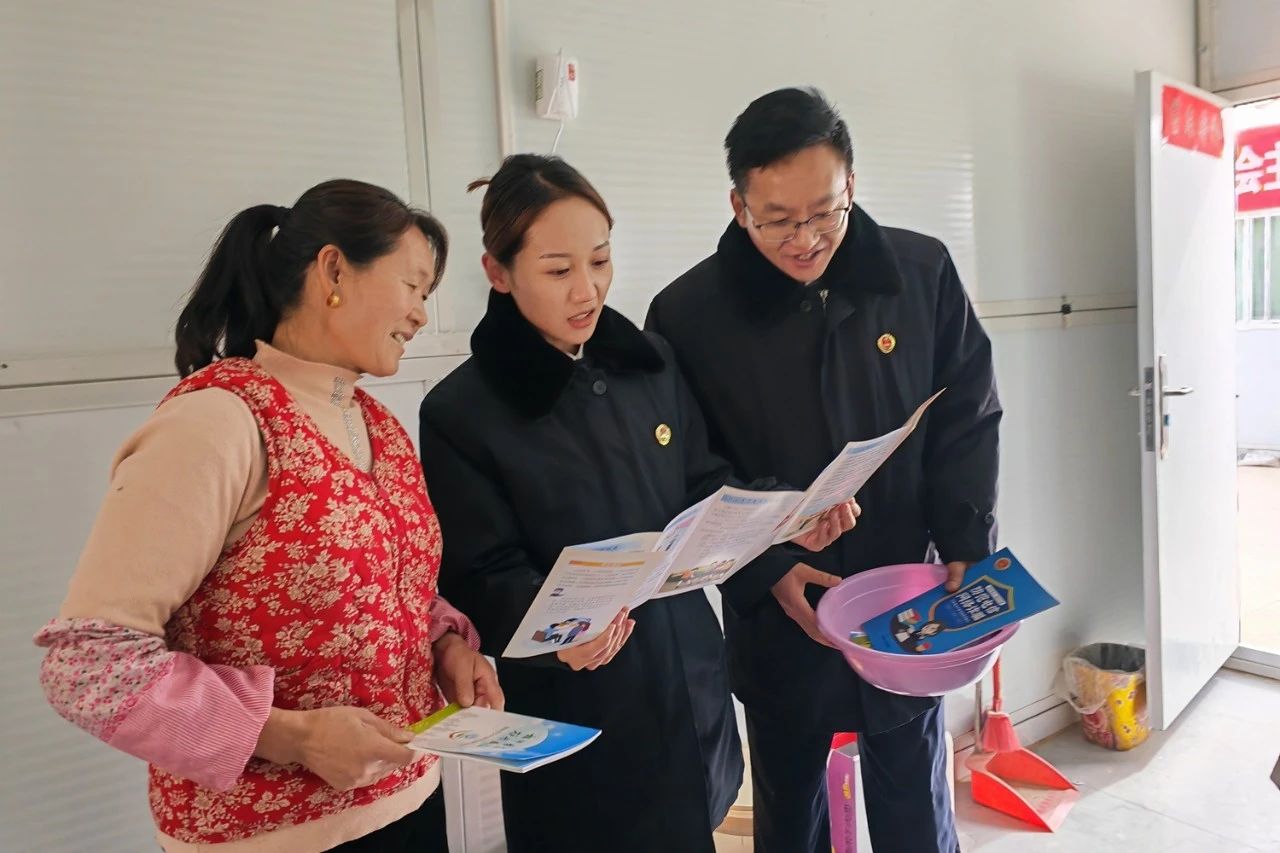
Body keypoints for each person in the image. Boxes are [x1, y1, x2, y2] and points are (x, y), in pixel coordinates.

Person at [34, 179, 502, 852]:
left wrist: (446, 646)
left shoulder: (379, 426)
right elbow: (90, 665)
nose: (421, 315)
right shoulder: (217, 423)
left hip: (408, 800)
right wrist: (291, 736)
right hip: (270, 836)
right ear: (333, 270)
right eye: (412, 286)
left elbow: (391, 587)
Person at [417, 154, 856, 852]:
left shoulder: (648, 363)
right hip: (582, 703)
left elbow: (701, 487)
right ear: (498, 273)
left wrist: (779, 533)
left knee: (697, 818)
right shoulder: (462, 412)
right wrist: (561, 635)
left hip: (688, 673)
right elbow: (479, 572)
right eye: (558, 270)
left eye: (600, 260)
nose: (587, 289)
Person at [647, 87, 1002, 853]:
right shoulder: (689, 315)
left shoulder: (919, 273)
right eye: (777, 219)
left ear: (852, 184)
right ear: (738, 204)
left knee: (916, 796)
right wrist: (768, 567)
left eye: (825, 211)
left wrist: (967, 543)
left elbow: (966, 419)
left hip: (904, 588)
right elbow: (682, 471)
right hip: (780, 611)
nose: (805, 239)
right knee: (791, 808)